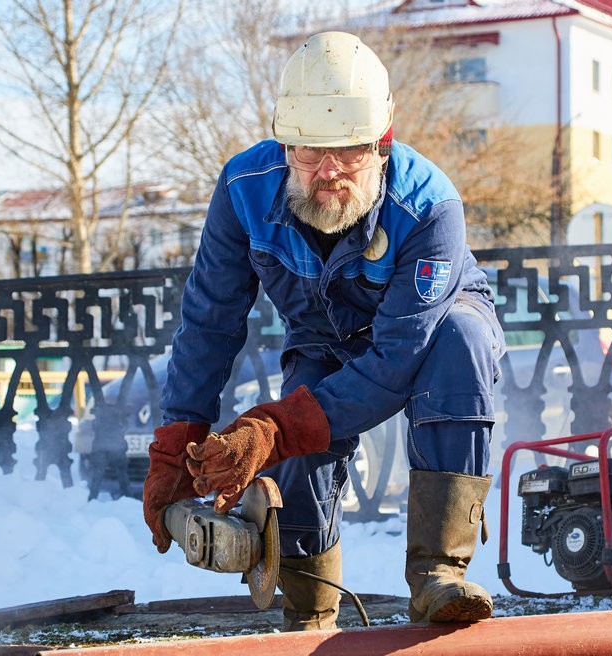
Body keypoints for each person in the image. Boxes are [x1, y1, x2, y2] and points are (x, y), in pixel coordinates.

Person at [142, 31, 506, 631]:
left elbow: (397, 358)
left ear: (382, 143)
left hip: (427, 329)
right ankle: (308, 610)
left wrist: (274, 428)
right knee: (299, 445)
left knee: (460, 343)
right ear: (284, 145)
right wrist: (174, 444)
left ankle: (440, 574)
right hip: (322, 338)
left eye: (348, 153)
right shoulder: (241, 192)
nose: (327, 172)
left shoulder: (431, 205)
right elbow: (209, 321)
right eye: (308, 154)